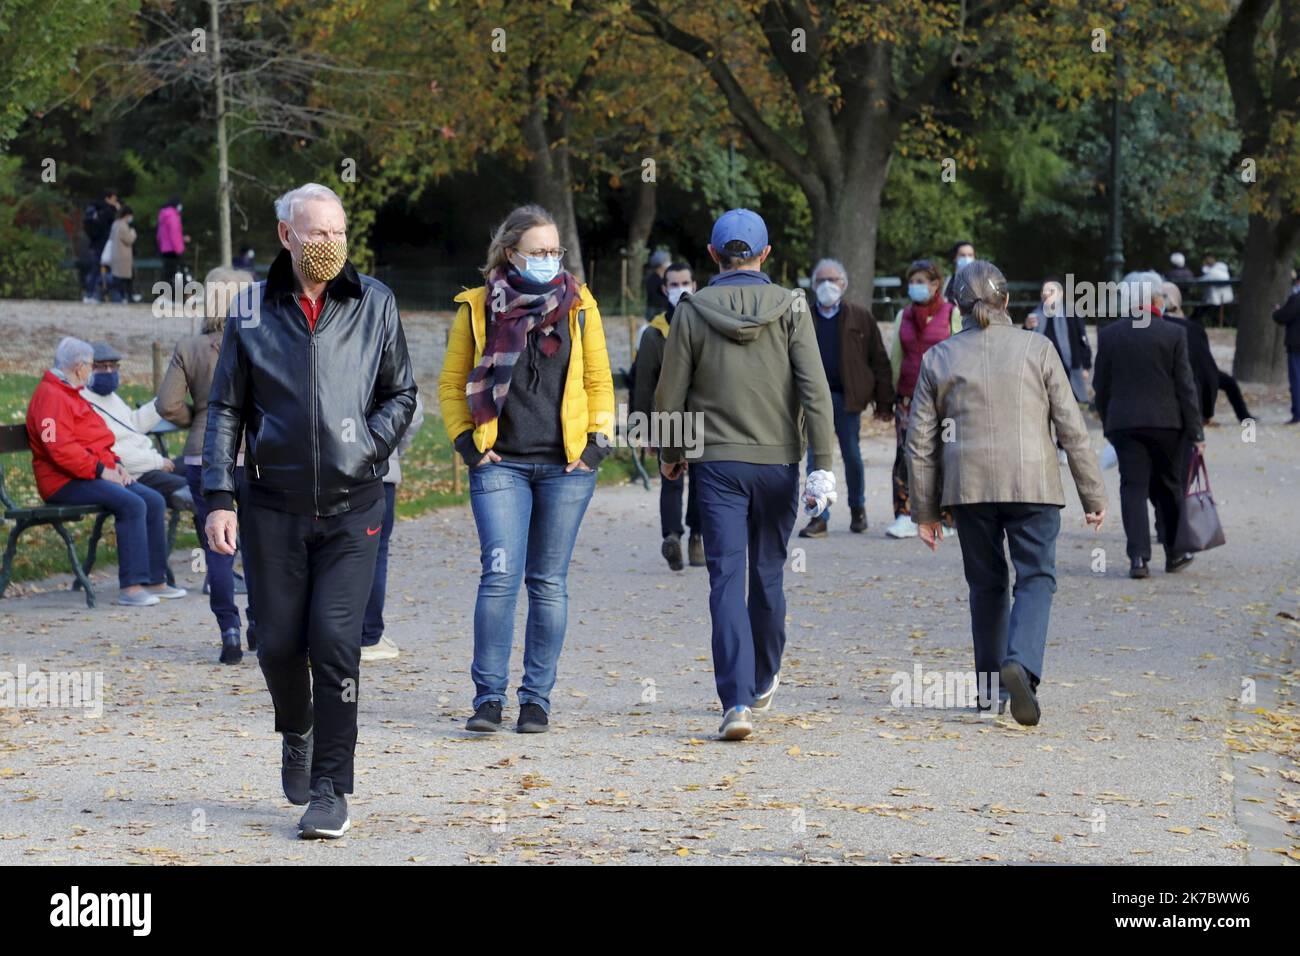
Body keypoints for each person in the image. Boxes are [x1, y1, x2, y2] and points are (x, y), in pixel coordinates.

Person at [203, 183, 417, 839]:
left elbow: (401, 394)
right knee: (276, 645)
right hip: (273, 507)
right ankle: (294, 728)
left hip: (356, 508)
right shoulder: (250, 312)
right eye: (314, 232)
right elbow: (226, 409)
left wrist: (366, 449)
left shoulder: (374, 303)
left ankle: (329, 787)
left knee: (333, 641)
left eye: (336, 233)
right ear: (285, 236)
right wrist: (218, 494)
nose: (326, 244)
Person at [654, 207, 835, 741]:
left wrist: (671, 452)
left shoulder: (690, 311)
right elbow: (815, 390)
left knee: (726, 578)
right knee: (769, 573)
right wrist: (822, 466)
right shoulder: (792, 309)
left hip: (717, 464)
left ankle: (735, 702)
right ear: (766, 255)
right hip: (779, 460)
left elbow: (670, 393)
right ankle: (763, 676)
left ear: (713, 256)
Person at [438, 203, 613, 736]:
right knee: (499, 578)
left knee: (549, 583)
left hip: (567, 468)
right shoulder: (476, 307)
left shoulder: (580, 304)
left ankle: (536, 700)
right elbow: (451, 384)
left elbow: (600, 381)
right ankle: (488, 699)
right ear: (510, 252)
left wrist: (597, 443)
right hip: (499, 464)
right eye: (538, 251)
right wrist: (466, 443)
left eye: (554, 251)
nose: (548, 259)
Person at [907, 261, 1106, 726]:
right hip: (1034, 482)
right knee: (1036, 577)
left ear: (956, 305)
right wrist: (1092, 495)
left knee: (986, 584)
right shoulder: (1037, 349)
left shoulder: (940, 357)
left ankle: (988, 689)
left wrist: (924, 510)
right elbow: (1071, 427)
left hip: (968, 487)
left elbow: (920, 441)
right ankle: (1021, 664)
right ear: (1006, 301)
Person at [26, 337, 187, 607]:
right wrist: (102, 470)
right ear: (79, 367)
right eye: (91, 365)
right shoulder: (50, 398)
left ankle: (155, 580)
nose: (92, 371)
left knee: (153, 499)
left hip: (87, 474)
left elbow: (98, 439)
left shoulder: (72, 395)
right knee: (132, 503)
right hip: (62, 482)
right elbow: (58, 449)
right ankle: (132, 587)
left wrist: (116, 466)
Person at [158, 267, 258, 664]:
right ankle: (259, 625)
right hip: (252, 455)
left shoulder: (189, 347)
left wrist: (199, 415)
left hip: (203, 453)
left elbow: (165, 404)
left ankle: (228, 629)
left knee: (216, 546)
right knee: (258, 547)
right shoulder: (258, 341)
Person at [1093, 272, 1204, 579]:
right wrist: (1196, 431)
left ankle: (1138, 558)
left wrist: (1108, 423)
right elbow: (1185, 387)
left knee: (1133, 488)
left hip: (1125, 424)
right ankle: (1174, 552)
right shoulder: (1172, 334)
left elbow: (1100, 386)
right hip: (1168, 424)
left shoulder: (1110, 334)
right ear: (1156, 300)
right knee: (1168, 486)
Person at [798, 257, 893, 538]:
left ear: (844, 284)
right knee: (816, 460)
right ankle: (819, 517)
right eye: (821, 280)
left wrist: (884, 401)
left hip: (847, 399)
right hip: (814, 402)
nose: (827, 285)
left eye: (833, 280)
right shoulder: (803, 317)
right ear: (813, 285)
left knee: (852, 456)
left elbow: (879, 360)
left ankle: (857, 508)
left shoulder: (860, 317)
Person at [631, 261, 703, 570]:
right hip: (668, 418)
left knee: (703, 480)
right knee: (671, 477)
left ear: (695, 285)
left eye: (685, 282)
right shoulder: (654, 334)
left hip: (702, 416)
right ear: (664, 289)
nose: (680, 289)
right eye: (673, 285)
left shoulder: (707, 325)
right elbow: (643, 383)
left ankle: (697, 535)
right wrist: (643, 428)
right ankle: (672, 536)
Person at [887, 259, 962, 539]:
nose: (915, 287)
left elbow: (959, 353)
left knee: (944, 455)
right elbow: (896, 356)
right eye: (912, 282)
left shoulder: (951, 313)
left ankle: (945, 516)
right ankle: (905, 513)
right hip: (908, 396)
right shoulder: (903, 316)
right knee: (906, 455)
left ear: (935, 284)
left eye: (921, 281)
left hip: (943, 398)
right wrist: (890, 395)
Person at [79, 340, 188, 502]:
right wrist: (157, 462)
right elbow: (114, 454)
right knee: (192, 488)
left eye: (113, 366)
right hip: (136, 474)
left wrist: (165, 399)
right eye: (101, 367)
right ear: (87, 369)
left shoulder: (110, 397)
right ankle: (218, 526)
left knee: (202, 465)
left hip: (150, 464)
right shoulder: (83, 403)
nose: (109, 372)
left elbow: (134, 424)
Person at [360, 394, 425, 663]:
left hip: (329, 466)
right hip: (379, 467)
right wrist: (393, 447)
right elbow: (413, 410)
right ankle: (368, 636)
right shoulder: (386, 351)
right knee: (375, 552)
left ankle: (328, 633)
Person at [1161, 282, 1252, 423]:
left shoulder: (1172, 326)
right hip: (1193, 374)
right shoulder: (1191, 328)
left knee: (1229, 383)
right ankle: (1244, 416)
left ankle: (1244, 416)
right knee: (1228, 383)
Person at [1026, 277, 1091, 404]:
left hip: (1069, 371)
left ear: (1060, 294)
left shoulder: (1072, 313)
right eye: (1044, 291)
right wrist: (1026, 327)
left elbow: (1082, 339)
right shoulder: (1035, 315)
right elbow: (1027, 343)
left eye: (1051, 291)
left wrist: (1086, 366)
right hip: (1042, 373)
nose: (1046, 294)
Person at [81, 189, 118, 302]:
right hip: (101, 244)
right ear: (107, 198)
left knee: (96, 269)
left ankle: (91, 294)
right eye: (114, 199)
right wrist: (113, 210)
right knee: (97, 269)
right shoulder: (107, 211)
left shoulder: (94, 210)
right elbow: (105, 228)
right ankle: (91, 294)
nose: (115, 202)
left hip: (95, 244)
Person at [1274, 285, 1300, 424]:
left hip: (1296, 344)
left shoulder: (1296, 299)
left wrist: (1277, 311)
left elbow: (1282, 316)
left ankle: (1298, 413)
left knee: (1296, 379)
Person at [107, 206, 137, 303]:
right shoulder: (123, 225)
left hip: (115, 254)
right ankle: (126, 297)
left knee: (118, 277)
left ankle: (120, 297)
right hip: (123, 256)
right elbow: (129, 240)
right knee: (126, 278)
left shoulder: (114, 224)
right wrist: (133, 233)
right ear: (127, 215)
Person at [156, 198, 188, 289]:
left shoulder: (163, 217)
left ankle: (163, 293)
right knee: (181, 272)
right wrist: (179, 250)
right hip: (173, 249)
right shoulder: (173, 217)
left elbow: (159, 236)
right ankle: (185, 293)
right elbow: (174, 235)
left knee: (167, 273)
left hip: (164, 249)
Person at [643, 249, 671, 321]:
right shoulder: (652, 279)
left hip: (662, 309)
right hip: (655, 311)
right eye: (666, 261)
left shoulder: (665, 277)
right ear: (661, 264)